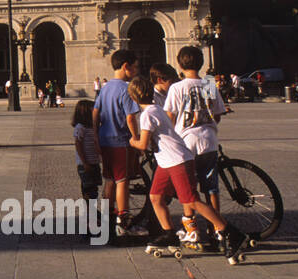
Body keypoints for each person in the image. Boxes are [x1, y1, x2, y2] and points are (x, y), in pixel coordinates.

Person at [130, 74, 248, 261]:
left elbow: (143, 145)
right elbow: (216, 115)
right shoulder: (157, 108)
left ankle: (230, 232)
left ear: (133, 97)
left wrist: (133, 141)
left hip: (177, 160)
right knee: (156, 196)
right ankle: (169, 233)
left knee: (192, 200)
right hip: (169, 160)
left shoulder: (147, 114)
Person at [162, 48, 227, 247]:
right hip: (208, 141)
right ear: (201, 63)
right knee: (211, 188)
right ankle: (217, 230)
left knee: (188, 189)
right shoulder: (209, 83)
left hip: (186, 143)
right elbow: (217, 114)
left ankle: (192, 231)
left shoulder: (176, 87)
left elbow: (170, 117)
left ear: (179, 65)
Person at [95, 49, 143, 238]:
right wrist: (137, 138)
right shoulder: (126, 88)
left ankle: (108, 217)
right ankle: (124, 221)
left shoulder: (105, 87)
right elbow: (131, 118)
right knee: (123, 181)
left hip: (104, 140)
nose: (137, 70)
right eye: (136, 67)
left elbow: (95, 113)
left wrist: (95, 134)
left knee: (109, 179)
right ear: (126, 67)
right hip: (120, 141)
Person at [72, 99, 102, 242]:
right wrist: (84, 162)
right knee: (89, 194)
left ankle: (93, 222)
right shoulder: (80, 127)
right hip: (86, 166)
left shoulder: (91, 127)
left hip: (93, 163)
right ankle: (91, 225)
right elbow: (78, 145)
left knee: (93, 193)